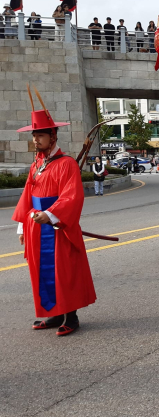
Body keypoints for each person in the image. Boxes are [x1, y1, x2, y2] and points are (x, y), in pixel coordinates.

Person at [11, 91, 96, 336]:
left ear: (53, 136)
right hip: (36, 226)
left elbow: (72, 196)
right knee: (42, 271)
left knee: (64, 270)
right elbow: (27, 195)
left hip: (58, 226)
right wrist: (21, 227)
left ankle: (71, 316)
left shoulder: (66, 164)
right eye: (34, 135)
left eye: (40, 135)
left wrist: (50, 215)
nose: (36, 139)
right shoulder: (36, 165)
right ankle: (54, 313)